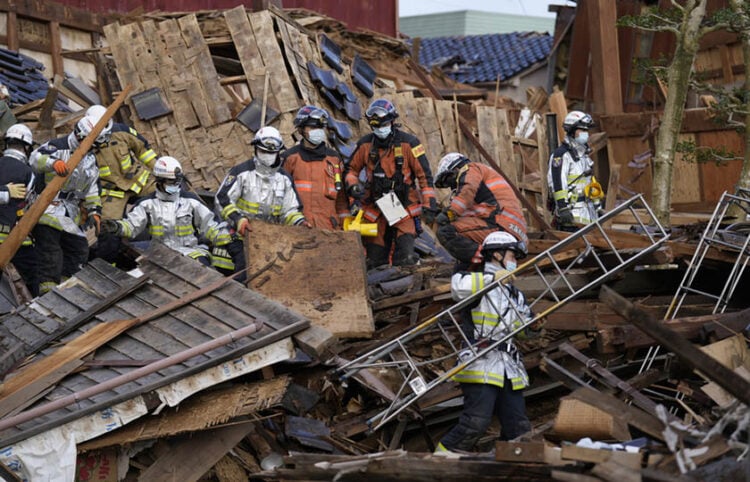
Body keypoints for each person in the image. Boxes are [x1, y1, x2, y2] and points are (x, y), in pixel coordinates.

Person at [434, 231, 537, 456]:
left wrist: (534, 327)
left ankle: (512, 469)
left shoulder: (515, 293)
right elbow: (458, 288)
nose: (515, 261)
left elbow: (523, 330)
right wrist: (493, 279)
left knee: (518, 428)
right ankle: (437, 463)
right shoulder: (473, 280)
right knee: (475, 424)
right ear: (497, 254)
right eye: (512, 255)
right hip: (480, 361)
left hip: (509, 367)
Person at [100, 156, 245, 276]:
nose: (175, 185)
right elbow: (132, 226)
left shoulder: (191, 202)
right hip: (160, 256)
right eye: (171, 182)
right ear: (159, 181)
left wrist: (230, 237)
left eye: (177, 181)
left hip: (192, 253)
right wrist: (117, 227)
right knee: (140, 282)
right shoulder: (147, 204)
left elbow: (211, 228)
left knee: (203, 278)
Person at [345, 98, 437, 269]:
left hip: (403, 206)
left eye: (383, 125)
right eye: (376, 127)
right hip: (376, 206)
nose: (380, 130)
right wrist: (353, 186)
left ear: (392, 122)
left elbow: (425, 176)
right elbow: (351, 169)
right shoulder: (365, 144)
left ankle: (407, 289)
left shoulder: (409, 143)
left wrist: (429, 204)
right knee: (374, 260)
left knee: (406, 257)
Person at [29, 114, 102, 294]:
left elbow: (92, 187)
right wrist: (53, 163)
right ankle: (47, 292)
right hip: (47, 209)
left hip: (69, 212)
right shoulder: (57, 146)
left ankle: (67, 287)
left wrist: (95, 211)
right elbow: (34, 159)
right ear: (80, 136)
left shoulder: (90, 158)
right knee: (50, 253)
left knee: (78, 250)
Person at [85, 104, 158, 263]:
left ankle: (163, 247)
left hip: (139, 181)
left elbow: (144, 151)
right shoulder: (83, 144)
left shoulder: (121, 132)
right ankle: (108, 264)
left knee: (166, 198)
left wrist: (161, 171)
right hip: (112, 192)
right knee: (108, 230)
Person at [433, 152, 528, 270]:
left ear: (456, 168)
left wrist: (448, 214)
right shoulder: (484, 176)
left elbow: (466, 193)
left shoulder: (471, 169)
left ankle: (481, 263)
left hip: (500, 223)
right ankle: (479, 263)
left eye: (449, 180)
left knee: (446, 232)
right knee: (456, 228)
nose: (451, 186)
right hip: (509, 227)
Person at [216, 126, 309, 235]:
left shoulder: (284, 179)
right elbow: (222, 199)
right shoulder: (241, 173)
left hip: (270, 238)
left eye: (271, 153)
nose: (267, 156)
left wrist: (299, 223)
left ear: (278, 152)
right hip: (240, 235)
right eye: (263, 151)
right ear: (255, 149)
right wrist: (238, 220)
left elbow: (290, 210)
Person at [281, 106, 350, 229]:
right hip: (298, 228)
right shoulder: (290, 158)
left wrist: (346, 224)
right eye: (313, 127)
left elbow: (342, 200)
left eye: (320, 128)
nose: (318, 131)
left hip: (329, 229)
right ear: (301, 130)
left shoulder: (334, 159)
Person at [0, 124, 38, 295]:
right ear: (27, 147)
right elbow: (30, 204)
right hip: (15, 238)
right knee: (30, 276)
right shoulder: (28, 173)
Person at [547, 110, 601, 231]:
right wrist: (563, 208)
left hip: (589, 215)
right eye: (582, 130)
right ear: (571, 131)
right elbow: (557, 183)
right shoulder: (561, 155)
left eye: (587, 131)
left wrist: (598, 207)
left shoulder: (584, 155)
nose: (585, 134)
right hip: (571, 217)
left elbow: (590, 182)